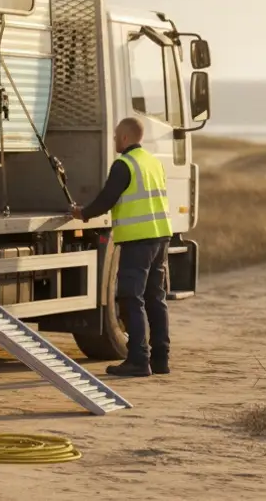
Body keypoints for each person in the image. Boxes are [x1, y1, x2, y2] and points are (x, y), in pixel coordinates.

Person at [70, 117, 172, 378]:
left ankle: (138, 359)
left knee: (131, 298)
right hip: (160, 237)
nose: (114, 139)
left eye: (116, 135)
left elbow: (106, 199)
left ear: (125, 137)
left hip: (137, 241)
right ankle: (160, 360)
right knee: (155, 298)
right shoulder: (153, 162)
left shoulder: (123, 164)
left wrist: (82, 214)